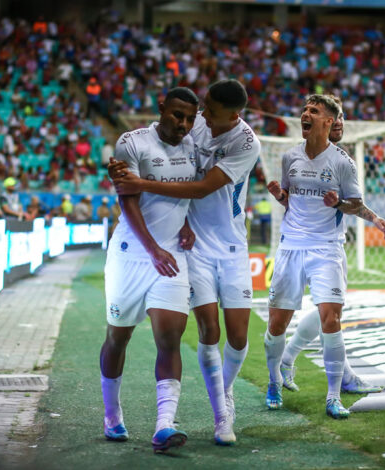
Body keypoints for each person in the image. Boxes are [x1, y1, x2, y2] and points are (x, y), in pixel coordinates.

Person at [109, 79, 260, 445]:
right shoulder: (176, 130)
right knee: (186, 333)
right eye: (197, 109)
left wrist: (141, 183)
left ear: (233, 115)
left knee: (222, 336)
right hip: (170, 250)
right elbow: (137, 186)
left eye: (207, 111)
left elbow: (199, 188)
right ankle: (216, 417)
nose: (199, 117)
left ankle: (208, 405)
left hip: (221, 248)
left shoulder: (245, 142)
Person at [264, 94, 379, 419]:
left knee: (332, 318)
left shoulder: (343, 162)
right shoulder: (289, 157)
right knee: (277, 323)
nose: (305, 114)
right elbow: (292, 199)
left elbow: (355, 204)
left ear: (329, 121)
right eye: (304, 109)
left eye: (313, 111)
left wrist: (338, 203)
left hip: (326, 248)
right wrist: (281, 196)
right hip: (290, 248)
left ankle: (333, 396)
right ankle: (274, 380)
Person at [99, 87, 198, 452]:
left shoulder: (192, 147)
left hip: (171, 256)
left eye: (189, 119)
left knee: (170, 339)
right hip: (130, 254)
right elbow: (128, 200)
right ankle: (112, 416)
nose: (183, 125)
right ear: (161, 108)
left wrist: (184, 225)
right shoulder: (132, 142)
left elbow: (188, 192)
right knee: (117, 338)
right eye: (177, 115)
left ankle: (164, 425)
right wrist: (152, 248)